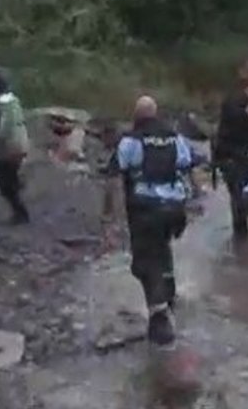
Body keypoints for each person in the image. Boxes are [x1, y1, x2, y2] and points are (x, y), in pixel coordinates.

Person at [100, 95, 195, 348]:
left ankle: (159, 316)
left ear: (136, 116)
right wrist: (191, 202)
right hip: (175, 209)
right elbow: (187, 166)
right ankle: (169, 292)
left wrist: (109, 217)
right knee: (162, 248)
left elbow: (113, 178)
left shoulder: (131, 140)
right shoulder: (175, 137)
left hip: (145, 210)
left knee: (143, 263)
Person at [211, 85, 248, 237]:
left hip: (241, 155)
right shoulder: (233, 104)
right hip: (227, 155)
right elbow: (233, 119)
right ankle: (241, 235)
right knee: (239, 196)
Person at [0, 66, 31, 225]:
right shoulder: (13, 101)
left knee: (6, 184)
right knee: (6, 175)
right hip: (20, 143)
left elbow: (2, 129)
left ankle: (21, 214)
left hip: (9, 148)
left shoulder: (1, 105)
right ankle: (16, 184)